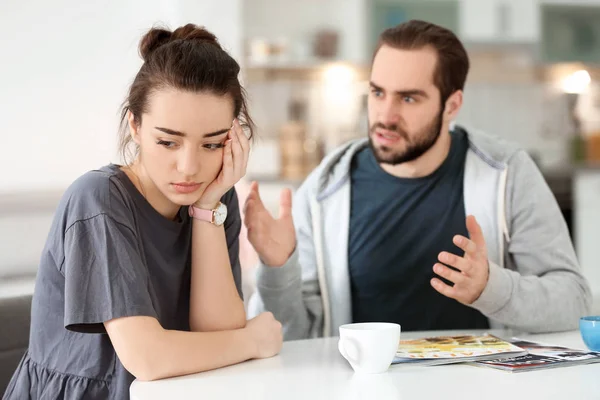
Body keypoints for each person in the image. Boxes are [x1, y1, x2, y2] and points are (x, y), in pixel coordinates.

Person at [245, 20, 591, 339]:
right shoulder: (324, 190)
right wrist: (277, 271)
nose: (386, 115)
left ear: (452, 105)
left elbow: (574, 302)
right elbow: (291, 337)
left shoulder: (507, 172)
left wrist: (491, 287)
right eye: (378, 93)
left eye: (408, 98)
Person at [3, 24, 282, 400]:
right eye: (168, 141)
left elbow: (216, 334)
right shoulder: (99, 200)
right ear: (134, 125)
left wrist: (206, 209)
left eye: (212, 144)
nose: (188, 167)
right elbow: (147, 358)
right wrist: (252, 341)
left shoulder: (213, 198)